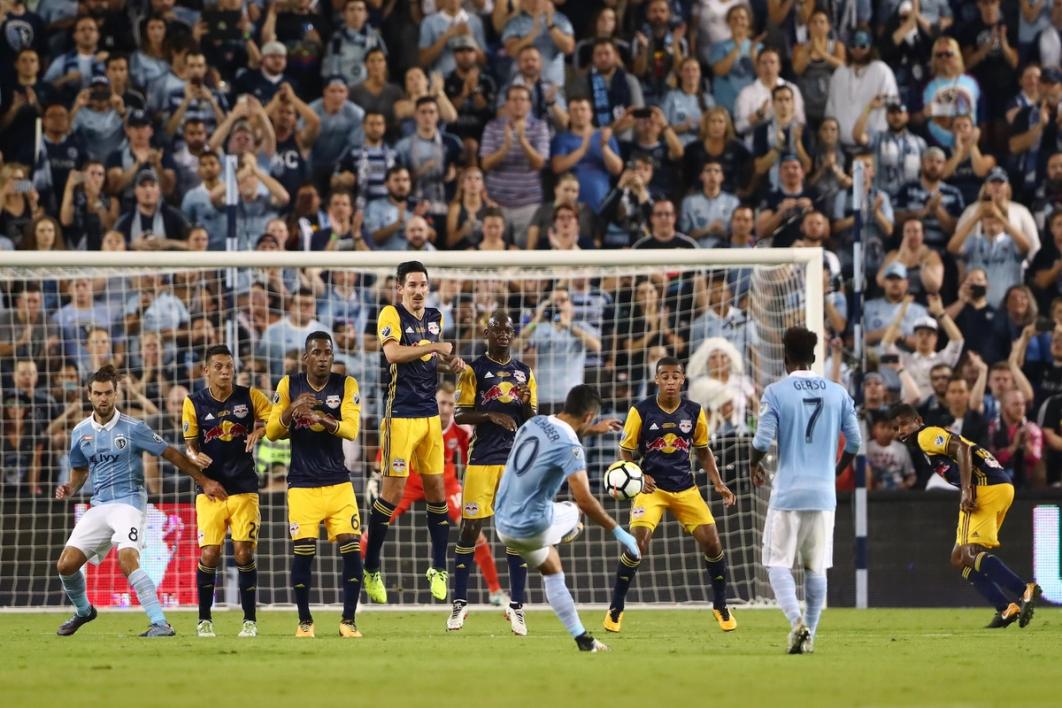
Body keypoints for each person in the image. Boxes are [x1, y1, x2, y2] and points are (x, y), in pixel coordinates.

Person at [54, 364, 226, 638]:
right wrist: (70, 487)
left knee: (127, 557)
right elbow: (80, 468)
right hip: (99, 505)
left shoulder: (134, 428)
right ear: (89, 395)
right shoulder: (80, 432)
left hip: (129, 502)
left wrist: (204, 481)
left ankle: (160, 623)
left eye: (108, 393)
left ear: (116, 394)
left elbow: (171, 453)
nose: (103, 399)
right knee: (65, 565)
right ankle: (84, 611)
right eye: (98, 393)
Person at [493, 384, 634, 652]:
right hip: (532, 525)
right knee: (575, 509)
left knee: (552, 569)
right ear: (590, 416)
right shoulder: (570, 447)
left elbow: (560, 436)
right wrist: (619, 532)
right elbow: (586, 500)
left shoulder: (535, 422)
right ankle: (567, 530)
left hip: (503, 524)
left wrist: (593, 429)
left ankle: (583, 639)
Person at [750, 327, 862, 654]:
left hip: (788, 492)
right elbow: (854, 442)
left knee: (777, 563)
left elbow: (760, 441)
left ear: (785, 358)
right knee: (815, 567)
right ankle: (810, 633)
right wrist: (835, 471)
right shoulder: (838, 392)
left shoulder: (776, 392)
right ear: (814, 358)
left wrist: (752, 463)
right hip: (824, 495)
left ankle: (796, 622)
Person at [604, 357, 737, 633]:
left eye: (675, 376)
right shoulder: (640, 412)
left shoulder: (694, 411)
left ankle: (721, 605)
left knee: (712, 542)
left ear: (683, 379)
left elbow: (702, 450)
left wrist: (718, 482)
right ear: (656, 379)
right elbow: (625, 451)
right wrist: (639, 476)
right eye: (664, 376)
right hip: (652, 490)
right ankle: (616, 608)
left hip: (686, 488)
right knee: (637, 546)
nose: (670, 382)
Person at [362, 261, 466, 604]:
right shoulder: (390, 315)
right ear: (400, 288)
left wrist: (451, 362)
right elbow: (393, 354)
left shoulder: (435, 316)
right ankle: (372, 567)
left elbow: (428, 360)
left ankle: (438, 567)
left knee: (437, 491)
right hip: (400, 416)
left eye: (423, 285)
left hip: (429, 417)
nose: (419, 291)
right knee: (390, 496)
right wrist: (435, 348)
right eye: (413, 285)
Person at [890, 403, 1043, 628]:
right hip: (997, 485)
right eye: (896, 427)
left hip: (985, 486)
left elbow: (962, 448)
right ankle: (1005, 608)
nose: (901, 431)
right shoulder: (925, 442)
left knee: (969, 553)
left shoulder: (926, 435)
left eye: (904, 424)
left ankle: (1024, 589)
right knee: (959, 558)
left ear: (918, 420)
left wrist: (966, 490)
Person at [266, 331, 363, 637]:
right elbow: (271, 431)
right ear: (305, 357)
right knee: (304, 552)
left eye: (328, 353)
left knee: (351, 547)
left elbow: (351, 430)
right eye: (317, 353)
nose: (323, 358)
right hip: (302, 484)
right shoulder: (288, 385)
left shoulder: (345, 384)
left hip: (338, 482)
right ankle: (305, 622)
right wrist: (292, 408)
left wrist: (323, 420)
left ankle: (348, 622)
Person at [449, 312, 537, 633]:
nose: (502, 334)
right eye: (497, 328)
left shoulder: (525, 372)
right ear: (486, 332)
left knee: (516, 533)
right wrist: (491, 417)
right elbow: (459, 414)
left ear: (513, 335)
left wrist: (525, 404)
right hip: (482, 461)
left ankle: (516, 607)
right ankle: (460, 604)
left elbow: (531, 421)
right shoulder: (474, 369)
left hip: (515, 464)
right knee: (470, 530)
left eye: (508, 330)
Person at [182, 345, 270, 638]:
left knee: (243, 552)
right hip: (209, 489)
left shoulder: (250, 396)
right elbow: (189, 445)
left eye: (229, 366)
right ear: (205, 371)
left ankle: (250, 620)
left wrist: (260, 430)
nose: (225, 371)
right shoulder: (193, 403)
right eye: (218, 366)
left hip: (244, 486)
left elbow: (276, 418)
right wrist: (195, 457)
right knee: (210, 553)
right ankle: (204, 619)